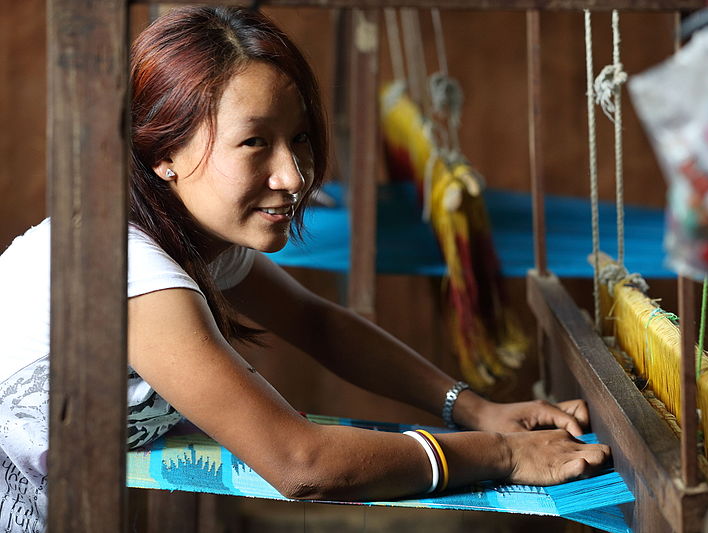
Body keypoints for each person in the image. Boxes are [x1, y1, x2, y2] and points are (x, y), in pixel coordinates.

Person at [0, 6, 610, 531]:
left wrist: (473, 408)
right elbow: (301, 465)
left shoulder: (193, 238)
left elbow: (319, 323)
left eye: (300, 139)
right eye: (254, 143)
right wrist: (501, 453)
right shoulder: (130, 269)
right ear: (164, 154)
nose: (293, 177)